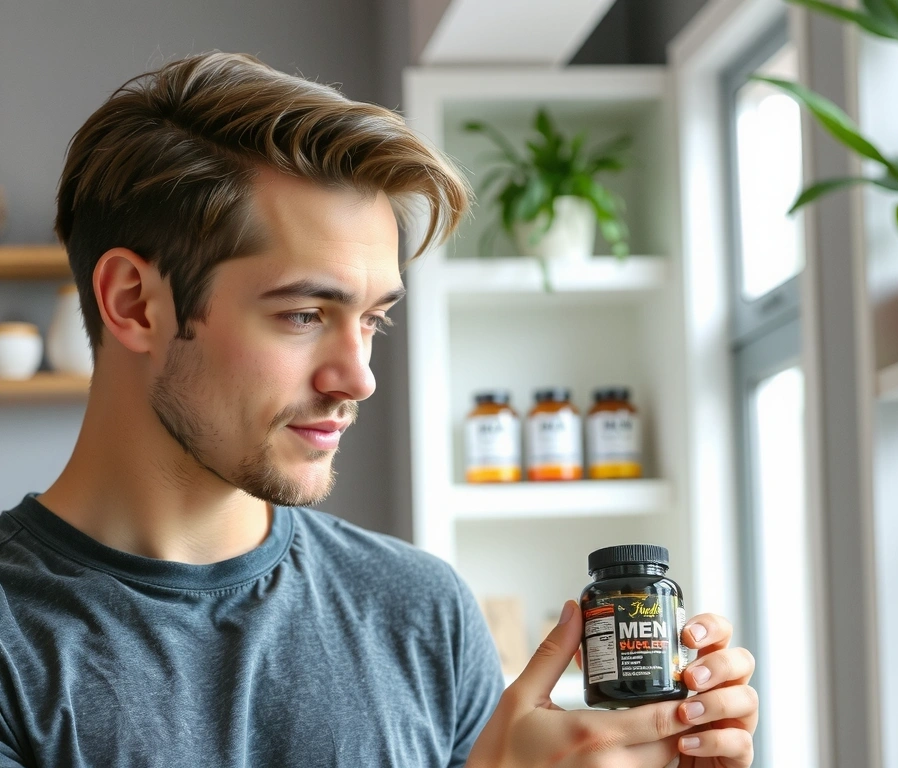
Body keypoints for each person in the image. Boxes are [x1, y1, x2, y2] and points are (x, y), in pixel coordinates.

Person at [0, 52, 758, 767]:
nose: (358, 378)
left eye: (372, 320)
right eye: (303, 315)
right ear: (135, 302)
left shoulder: (421, 610)